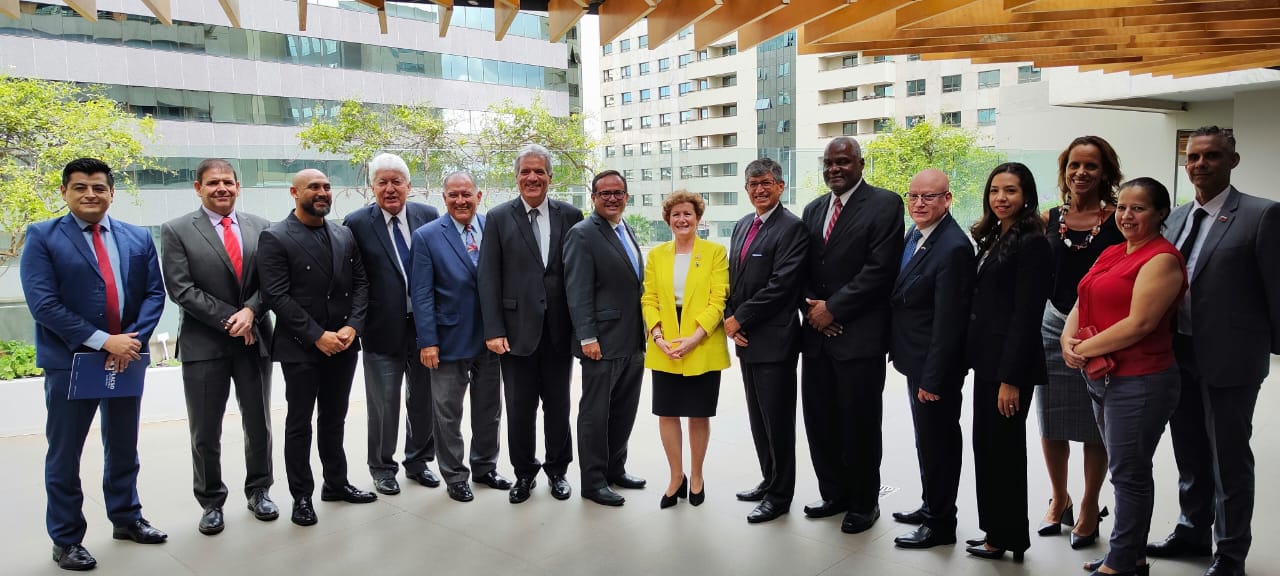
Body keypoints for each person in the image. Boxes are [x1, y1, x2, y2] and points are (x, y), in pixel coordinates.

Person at [20, 158, 168, 571]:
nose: (90, 194)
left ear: (111, 193)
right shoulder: (43, 236)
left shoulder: (137, 237)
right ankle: (66, 539)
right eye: (81, 187)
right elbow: (43, 304)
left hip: (127, 360)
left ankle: (127, 517)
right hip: (71, 362)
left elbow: (155, 294)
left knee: (123, 444)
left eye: (99, 187)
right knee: (65, 453)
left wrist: (130, 342)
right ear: (65, 192)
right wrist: (105, 341)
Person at [1148, 126, 1280, 576]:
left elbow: (1276, 291)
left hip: (1231, 358)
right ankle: (1191, 530)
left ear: (1232, 162)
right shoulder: (1177, 217)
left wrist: (1269, 350)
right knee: (1188, 449)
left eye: (1212, 156)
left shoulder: (1262, 215)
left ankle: (1230, 551)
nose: (1201, 164)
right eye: (1194, 157)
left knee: (1228, 456)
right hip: (1177, 352)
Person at [1063, 177, 1186, 576]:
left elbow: (1140, 324)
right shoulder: (1114, 251)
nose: (1127, 215)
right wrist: (1067, 339)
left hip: (1140, 380)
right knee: (1124, 468)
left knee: (1129, 473)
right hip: (1103, 376)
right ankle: (1128, 553)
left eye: (1139, 208)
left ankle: (1122, 562)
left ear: (1161, 213)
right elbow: (1083, 298)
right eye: (1122, 207)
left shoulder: (1161, 259)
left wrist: (1082, 350)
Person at [160, 159, 277, 536]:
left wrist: (251, 312)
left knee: (258, 423)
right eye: (213, 183)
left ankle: (259, 491)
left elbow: (273, 281)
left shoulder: (262, 227)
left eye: (228, 181)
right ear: (198, 188)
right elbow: (181, 289)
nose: (221, 188)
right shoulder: (177, 230)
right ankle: (211, 501)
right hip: (204, 344)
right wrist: (233, 319)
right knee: (205, 431)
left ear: (238, 186)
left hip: (254, 341)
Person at [258, 168, 375, 527]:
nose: (322, 192)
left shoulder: (343, 234)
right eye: (314, 187)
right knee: (299, 424)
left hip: (342, 344)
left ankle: (336, 484)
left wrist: (352, 327)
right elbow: (277, 295)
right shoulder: (275, 237)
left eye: (326, 186)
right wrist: (316, 335)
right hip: (301, 347)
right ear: (295, 192)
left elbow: (360, 284)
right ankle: (302, 496)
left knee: (334, 420)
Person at [798, 136, 905, 534]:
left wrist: (834, 309)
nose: (834, 169)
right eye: (828, 163)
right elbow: (801, 266)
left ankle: (863, 502)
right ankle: (834, 493)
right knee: (820, 421)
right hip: (817, 337)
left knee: (859, 424)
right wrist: (813, 310)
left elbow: (880, 269)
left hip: (859, 337)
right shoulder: (812, 210)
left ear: (860, 163)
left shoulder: (885, 204)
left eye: (843, 162)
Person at [478, 143, 583, 503]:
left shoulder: (571, 215)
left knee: (558, 407)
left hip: (558, 332)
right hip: (514, 333)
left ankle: (558, 471)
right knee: (519, 409)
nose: (533, 177)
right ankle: (524, 474)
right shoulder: (498, 217)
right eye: (526, 171)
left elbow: (579, 276)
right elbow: (488, 277)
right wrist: (493, 330)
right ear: (516, 177)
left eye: (539, 171)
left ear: (550, 178)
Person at [1037, 136, 1125, 548]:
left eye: (1091, 165)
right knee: (1051, 420)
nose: (1081, 173)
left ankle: (1089, 505)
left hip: (1100, 331)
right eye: (1074, 165)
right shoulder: (1048, 218)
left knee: (1095, 426)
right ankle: (1060, 498)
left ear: (1105, 171)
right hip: (1052, 326)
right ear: (1064, 170)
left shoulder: (1118, 220)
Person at [964, 162, 1052, 562]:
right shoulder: (995, 236)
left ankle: (1008, 534)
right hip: (988, 362)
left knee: (1004, 452)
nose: (1002, 198)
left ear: (1027, 196)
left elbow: (1025, 314)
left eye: (1011, 191)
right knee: (987, 446)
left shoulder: (1033, 242)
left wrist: (1011, 379)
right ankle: (995, 531)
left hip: (1009, 368)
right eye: (996, 190)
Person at [411, 171, 511, 503]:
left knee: (489, 410)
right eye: (453, 195)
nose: (460, 200)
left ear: (478, 196)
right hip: (448, 341)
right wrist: (428, 341)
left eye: (466, 194)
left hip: (490, 339)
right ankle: (455, 475)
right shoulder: (426, 236)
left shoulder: (493, 228)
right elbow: (422, 293)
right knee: (447, 414)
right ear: (444, 198)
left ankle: (485, 467)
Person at [342, 153, 439, 496]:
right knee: (383, 404)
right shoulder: (355, 223)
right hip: (381, 330)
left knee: (424, 398)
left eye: (396, 181)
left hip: (424, 329)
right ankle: (382, 467)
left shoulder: (428, 216)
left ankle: (418, 461)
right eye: (382, 182)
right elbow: (352, 280)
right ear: (372, 188)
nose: (390, 188)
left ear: (409, 186)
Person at [889, 169, 975, 550]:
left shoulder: (953, 246)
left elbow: (950, 321)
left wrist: (934, 378)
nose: (919, 203)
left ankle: (941, 524)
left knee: (939, 443)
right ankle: (930, 506)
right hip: (916, 358)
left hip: (934, 366)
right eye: (913, 196)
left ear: (947, 199)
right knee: (927, 440)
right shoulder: (918, 235)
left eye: (929, 197)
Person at [726, 158, 808, 524]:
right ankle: (768, 478)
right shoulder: (743, 225)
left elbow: (782, 285)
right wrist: (730, 318)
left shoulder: (791, 228)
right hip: (746, 339)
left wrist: (739, 317)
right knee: (758, 417)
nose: (759, 189)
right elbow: (733, 277)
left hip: (775, 341)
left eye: (766, 183)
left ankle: (780, 494)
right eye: (753, 184)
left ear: (780, 186)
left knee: (777, 420)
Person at [641, 190, 730, 509]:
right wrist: (657, 334)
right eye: (676, 214)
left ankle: (696, 476)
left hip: (701, 341)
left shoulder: (715, 252)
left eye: (688, 214)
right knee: (666, 412)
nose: (682, 219)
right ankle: (675, 476)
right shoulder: (657, 255)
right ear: (668, 220)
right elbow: (648, 298)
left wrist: (695, 336)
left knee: (698, 413)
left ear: (698, 219)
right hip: (665, 342)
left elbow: (718, 298)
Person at [563, 170, 647, 507]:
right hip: (601, 342)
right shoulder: (582, 234)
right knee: (595, 414)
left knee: (624, 410)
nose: (612, 198)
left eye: (618, 192)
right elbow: (577, 290)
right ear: (594, 197)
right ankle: (593, 481)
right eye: (604, 193)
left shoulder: (625, 228)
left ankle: (615, 468)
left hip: (632, 340)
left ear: (627, 196)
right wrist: (587, 337)